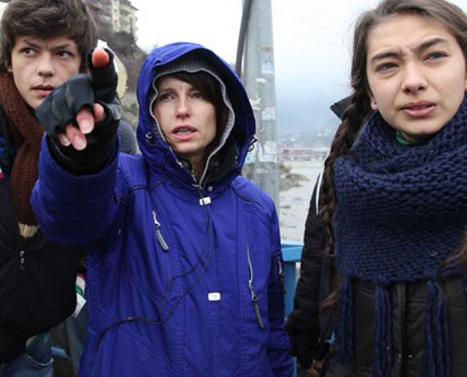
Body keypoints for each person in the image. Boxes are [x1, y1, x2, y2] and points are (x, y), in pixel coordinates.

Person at [31, 42, 293, 376]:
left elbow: (272, 329)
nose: (182, 109)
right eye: (167, 96)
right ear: (151, 111)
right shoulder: (123, 182)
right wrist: (81, 158)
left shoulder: (258, 208)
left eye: (198, 94)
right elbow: (68, 219)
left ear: (223, 108)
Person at [287, 0, 467, 377]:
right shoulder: (344, 176)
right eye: (388, 65)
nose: (413, 81)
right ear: (369, 92)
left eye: (434, 56)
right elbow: (316, 290)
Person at [0, 0, 137, 377]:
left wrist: (76, 286)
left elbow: (107, 227)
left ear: (82, 63)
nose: (45, 68)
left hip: (34, 344)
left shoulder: (109, 136)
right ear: (8, 59)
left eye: (62, 53)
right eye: (29, 50)